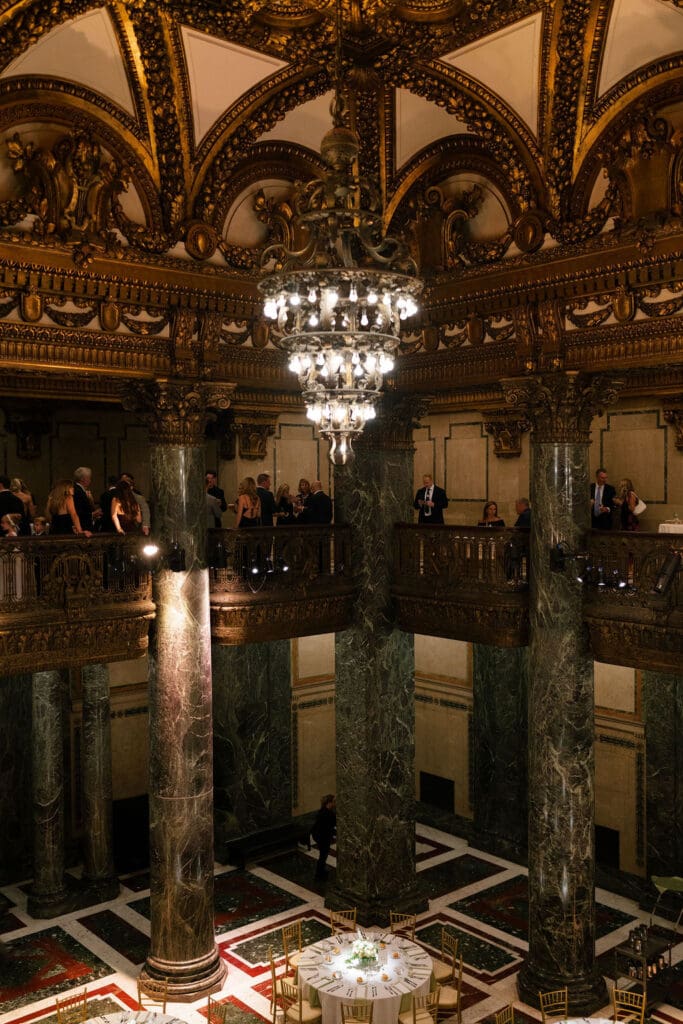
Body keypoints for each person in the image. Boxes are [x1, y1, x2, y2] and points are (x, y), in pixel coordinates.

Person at [311, 793, 336, 881]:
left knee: (323, 855)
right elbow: (330, 826)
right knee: (323, 856)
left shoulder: (323, 811)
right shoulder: (328, 814)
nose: (335, 803)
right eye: (334, 802)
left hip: (321, 837)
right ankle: (319, 873)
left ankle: (321, 871)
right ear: (329, 803)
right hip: (323, 838)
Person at [73, 467, 95, 533]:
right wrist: (93, 514)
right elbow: (79, 511)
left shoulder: (80, 490)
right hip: (83, 527)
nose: (90, 480)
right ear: (82, 479)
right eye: (89, 478)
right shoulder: (78, 491)